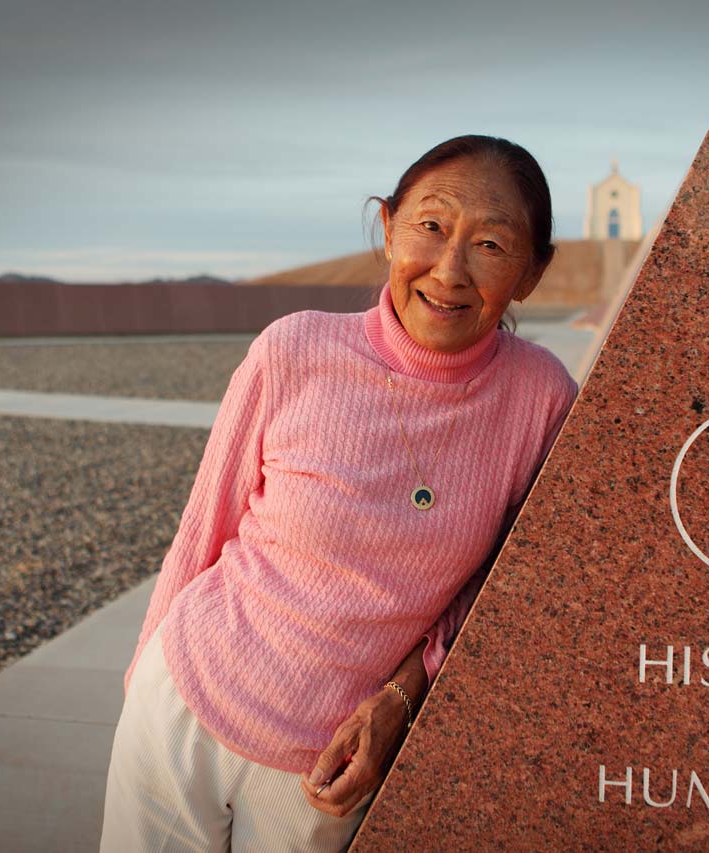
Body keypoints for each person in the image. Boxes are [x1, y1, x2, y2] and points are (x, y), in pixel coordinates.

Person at [100, 135, 578, 852]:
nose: (449, 269)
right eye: (431, 226)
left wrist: (401, 697)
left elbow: (501, 587)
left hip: (331, 766)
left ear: (533, 272)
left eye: (489, 243)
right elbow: (204, 524)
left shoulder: (541, 398)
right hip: (184, 705)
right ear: (387, 228)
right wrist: (142, 681)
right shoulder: (292, 348)